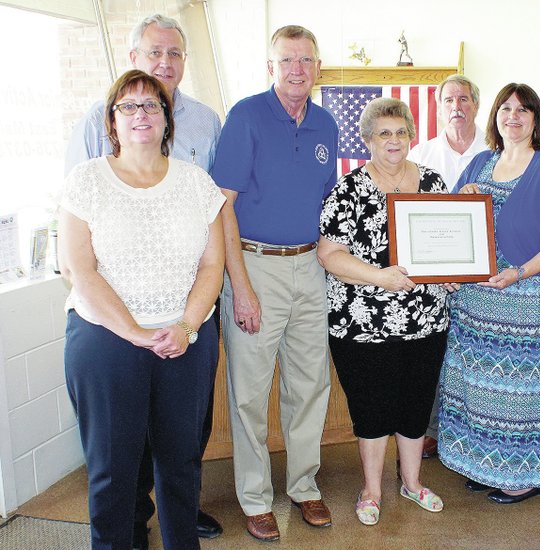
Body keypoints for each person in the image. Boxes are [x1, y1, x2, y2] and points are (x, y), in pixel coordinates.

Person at [64, 14, 223, 547]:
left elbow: (211, 267)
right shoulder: (86, 181)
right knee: (113, 470)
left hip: (185, 339)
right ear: (111, 120)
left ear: (166, 120)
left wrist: (185, 326)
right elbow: (78, 269)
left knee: (180, 465)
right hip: (106, 341)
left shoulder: (196, 183)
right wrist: (133, 332)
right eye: (128, 105)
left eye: (151, 105)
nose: (140, 114)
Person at [211, 25, 337, 541]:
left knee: (309, 384)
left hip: (310, 266)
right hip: (254, 264)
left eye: (306, 60)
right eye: (287, 60)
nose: (297, 70)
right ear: (271, 67)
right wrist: (240, 286)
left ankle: (305, 487)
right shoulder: (246, 116)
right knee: (250, 392)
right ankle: (255, 497)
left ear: (317, 68)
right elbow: (223, 205)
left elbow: (331, 204)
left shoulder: (327, 124)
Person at [438, 83, 540, 504]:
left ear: (536, 119)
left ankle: (523, 474)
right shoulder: (481, 163)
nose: (513, 116)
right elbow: (451, 224)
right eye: (506, 108)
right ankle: (485, 465)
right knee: (481, 389)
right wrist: (463, 198)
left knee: (523, 393)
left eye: (524, 110)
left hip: (532, 299)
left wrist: (519, 272)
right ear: (495, 116)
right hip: (478, 304)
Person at [318, 97, 449, 526]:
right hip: (363, 323)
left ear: (412, 136)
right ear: (368, 139)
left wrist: (452, 273)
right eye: (383, 133)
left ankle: (412, 483)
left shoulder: (432, 182)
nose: (393, 141)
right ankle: (372, 490)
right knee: (372, 410)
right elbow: (329, 254)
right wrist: (380, 277)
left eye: (400, 132)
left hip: (427, 321)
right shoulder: (350, 188)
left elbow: (450, 245)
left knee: (415, 405)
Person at [407, 74, 489, 459]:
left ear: (476, 104)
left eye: (464, 99)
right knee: (433, 352)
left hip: (485, 275)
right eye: (449, 100)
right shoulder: (421, 155)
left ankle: (472, 429)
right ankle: (430, 429)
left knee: (476, 353)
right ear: (439, 107)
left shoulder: (496, 152)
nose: (457, 106)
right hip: (435, 275)